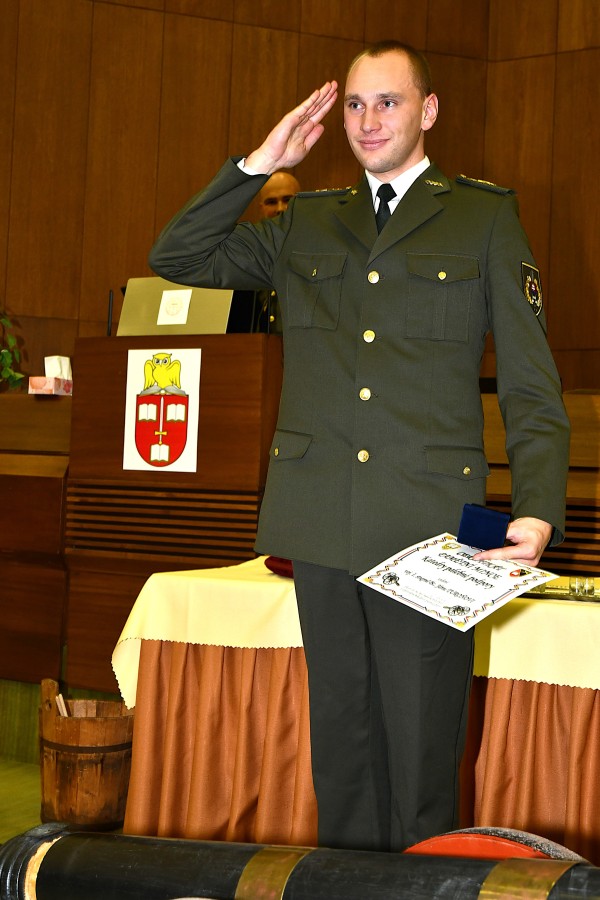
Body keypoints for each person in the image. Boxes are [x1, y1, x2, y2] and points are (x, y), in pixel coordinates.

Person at [148, 42, 570, 853]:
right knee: (341, 763)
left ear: (428, 110)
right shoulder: (308, 219)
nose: (368, 120)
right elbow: (178, 255)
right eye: (354, 104)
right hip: (321, 524)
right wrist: (260, 163)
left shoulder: (483, 218)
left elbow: (529, 384)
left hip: (429, 529)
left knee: (420, 767)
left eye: (388, 102)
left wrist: (537, 507)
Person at [227, 169, 301, 332]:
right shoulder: (247, 254)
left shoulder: (317, 247)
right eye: (271, 202)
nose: (280, 208)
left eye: (287, 199)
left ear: (301, 202)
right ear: (262, 207)